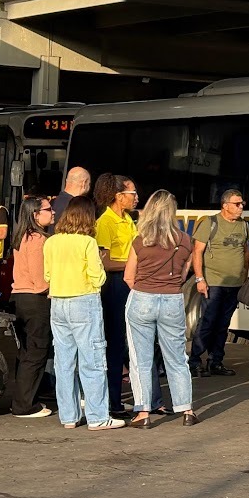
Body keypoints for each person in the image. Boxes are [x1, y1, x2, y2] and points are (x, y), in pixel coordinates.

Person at [45, 196, 123, 430]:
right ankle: (97, 416)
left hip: (58, 302)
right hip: (83, 301)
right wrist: (100, 261)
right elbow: (98, 278)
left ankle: (69, 416)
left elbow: (47, 275)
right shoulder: (88, 242)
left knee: (64, 361)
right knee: (93, 360)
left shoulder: (51, 242)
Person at [124, 190, 198, 427]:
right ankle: (187, 410)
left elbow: (128, 277)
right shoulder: (185, 241)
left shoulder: (140, 240)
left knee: (141, 359)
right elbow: (183, 275)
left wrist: (146, 289)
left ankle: (143, 412)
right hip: (172, 300)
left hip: (142, 299)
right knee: (177, 357)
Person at [94, 173, 152, 416]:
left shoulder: (129, 219)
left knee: (131, 341)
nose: (137, 197)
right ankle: (113, 402)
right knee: (115, 342)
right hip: (115, 284)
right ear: (119, 196)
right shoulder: (105, 222)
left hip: (129, 281)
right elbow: (103, 262)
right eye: (132, 193)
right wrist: (132, 266)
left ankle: (129, 399)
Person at [188, 188, 249, 378]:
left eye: (242, 204)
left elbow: (245, 252)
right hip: (213, 282)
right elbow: (197, 251)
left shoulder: (243, 225)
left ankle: (215, 361)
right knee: (208, 322)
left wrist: (244, 276)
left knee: (223, 324)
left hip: (235, 284)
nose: (241, 207)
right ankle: (194, 361)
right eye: (237, 204)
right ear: (225, 205)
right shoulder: (210, 222)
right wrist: (200, 279)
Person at [10, 194, 55, 418]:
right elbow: (40, 281)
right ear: (35, 215)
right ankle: (24, 405)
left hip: (19, 297)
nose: (53, 212)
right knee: (36, 353)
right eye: (48, 209)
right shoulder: (38, 240)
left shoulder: (22, 236)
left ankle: (23, 400)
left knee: (27, 352)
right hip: (35, 299)